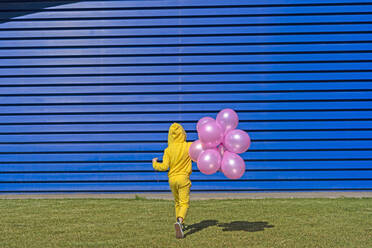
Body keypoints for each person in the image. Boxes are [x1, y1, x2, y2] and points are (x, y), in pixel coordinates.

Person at [152, 123, 192, 239]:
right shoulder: (188, 146)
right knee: (184, 203)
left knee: (177, 202)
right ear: (183, 133)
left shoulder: (168, 150)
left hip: (172, 179)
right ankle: (179, 222)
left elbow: (164, 167)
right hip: (183, 178)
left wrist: (155, 163)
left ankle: (180, 224)